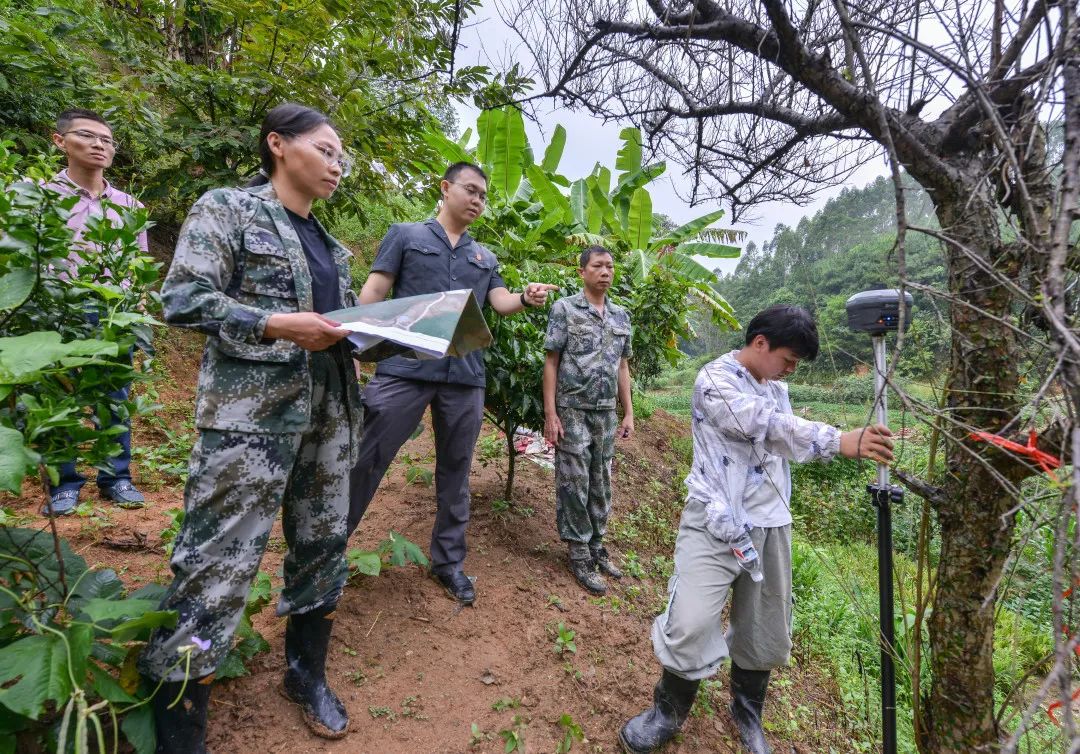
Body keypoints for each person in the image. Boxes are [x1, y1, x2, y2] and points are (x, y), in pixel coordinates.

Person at [138, 103, 363, 752]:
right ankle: (181, 725)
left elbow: (334, 333)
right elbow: (182, 299)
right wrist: (277, 323)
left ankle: (305, 675)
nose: (336, 163)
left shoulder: (332, 247)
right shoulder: (228, 210)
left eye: (340, 155)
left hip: (327, 426)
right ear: (278, 145)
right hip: (248, 431)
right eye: (325, 149)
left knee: (322, 552)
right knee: (215, 572)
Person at [619, 305, 894, 754]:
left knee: (764, 630)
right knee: (689, 622)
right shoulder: (714, 381)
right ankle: (668, 711)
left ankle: (747, 712)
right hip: (715, 521)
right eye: (788, 359)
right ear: (760, 343)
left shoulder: (775, 386)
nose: (790, 370)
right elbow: (762, 426)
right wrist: (836, 440)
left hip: (770, 526)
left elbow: (784, 438)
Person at [348, 162, 558, 606]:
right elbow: (374, 293)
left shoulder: (485, 257)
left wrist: (526, 297)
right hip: (404, 369)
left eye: (484, 195)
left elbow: (499, 303)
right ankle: (326, 548)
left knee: (456, 473)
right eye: (471, 190)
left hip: (464, 377)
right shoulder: (405, 236)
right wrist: (348, 338)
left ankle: (448, 564)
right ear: (445, 189)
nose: (478, 200)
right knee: (366, 457)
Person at [43, 108, 150, 515]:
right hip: (58, 313)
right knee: (60, 400)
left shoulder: (128, 205)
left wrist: (136, 311)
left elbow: (139, 267)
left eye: (107, 140)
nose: (99, 145)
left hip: (113, 315)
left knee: (115, 399)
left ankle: (117, 478)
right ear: (60, 141)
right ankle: (63, 485)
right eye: (87, 136)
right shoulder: (38, 197)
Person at [543, 245, 633, 595]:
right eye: (597, 266)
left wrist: (629, 411)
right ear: (582, 272)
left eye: (610, 266)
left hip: (605, 414)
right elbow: (551, 362)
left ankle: (597, 546)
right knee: (574, 481)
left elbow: (622, 367)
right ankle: (579, 553)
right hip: (572, 410)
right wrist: (551, 414)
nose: (605, 271)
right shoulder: (564, 309)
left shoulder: (621, 316)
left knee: (601, 481)